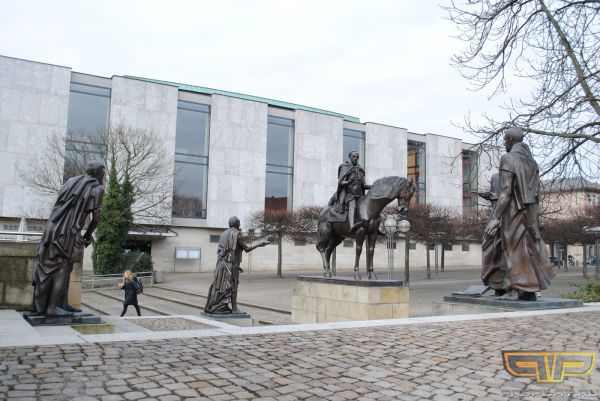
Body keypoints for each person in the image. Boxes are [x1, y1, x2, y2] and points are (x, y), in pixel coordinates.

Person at [483, 128, 554, 300]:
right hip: (529, 211)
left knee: (512, 249)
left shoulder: (508, 158)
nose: (504, 143)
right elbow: (536, 191)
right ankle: (526, 290)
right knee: (525, 249)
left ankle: (516, 289)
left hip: (513, 210)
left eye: (505, 140)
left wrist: (495, 218)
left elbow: (506, 191)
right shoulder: (532, 162)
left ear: (510, 140)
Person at [31, 161, 105, 316]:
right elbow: (96, 218)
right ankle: (52, 308)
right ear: (98, 173)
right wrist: (87, 235)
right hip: (68, 232)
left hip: (53, 227)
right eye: (103, 173)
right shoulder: (97, 188)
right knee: (62, 268)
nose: (103, 176)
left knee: (55, 267)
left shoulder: (71, 181)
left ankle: (60, 304)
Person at [204, 216, 269, 314]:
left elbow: (222, 251)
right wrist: (260, 244)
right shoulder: (237, 234)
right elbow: (247, 249)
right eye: (239, 223)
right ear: (236, 224)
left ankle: (221, 306)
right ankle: (234, 309)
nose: (240, 224)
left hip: (221, 264)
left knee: (220, 285)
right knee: (233, 285)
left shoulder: (223, 234)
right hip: (231, 265)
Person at [479, 173, 507, 295]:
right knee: (488, 249)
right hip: (495, 216)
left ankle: (504, 285)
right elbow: (498, 199)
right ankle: (498, 285)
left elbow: (510, 198)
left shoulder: (511, 176)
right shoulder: (495, 177)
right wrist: (491, 197)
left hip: (506, 219)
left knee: (499, 251)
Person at [330, 151, 371, 233]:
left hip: (360, 196)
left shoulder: (360, 170)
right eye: (353, 156)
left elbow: (364, 186)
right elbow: (340, 182)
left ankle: (373, 227)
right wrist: (348, 182)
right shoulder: (345, 168)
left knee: (370, 206)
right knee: (353, 205)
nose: (355, 158)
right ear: (350, 157)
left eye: (357, 157)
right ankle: (352, 226)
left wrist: (374, 186)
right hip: (349, 195)